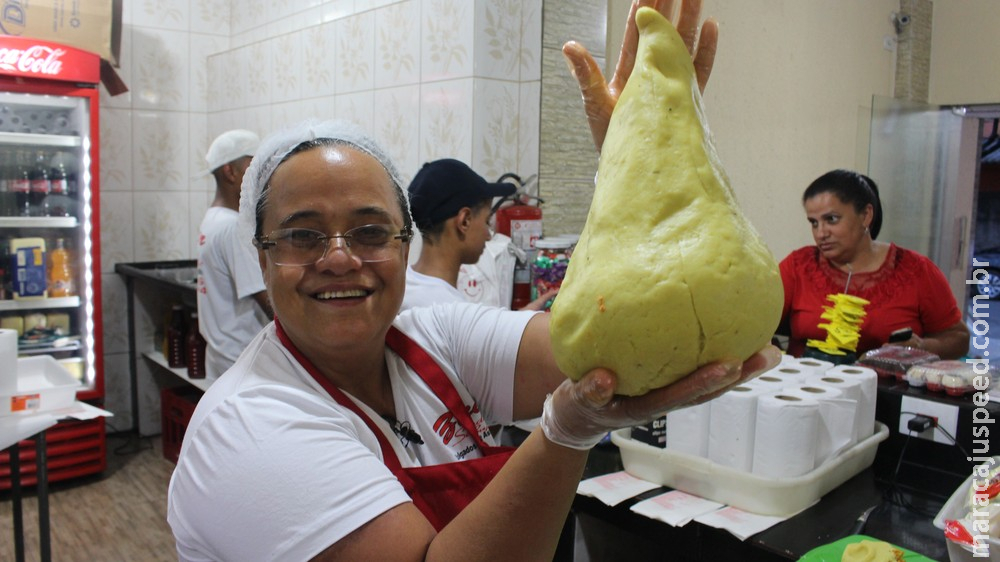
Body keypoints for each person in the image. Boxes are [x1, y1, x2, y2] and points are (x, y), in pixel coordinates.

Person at [168, 1, 775, 560]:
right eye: (303, 235)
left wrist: (641, 155)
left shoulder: (431, 339)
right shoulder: (252, 429)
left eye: (372, 232)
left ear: (405, 245)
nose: (339, 258)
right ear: (262, 256)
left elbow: (617, 347)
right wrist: (565, 432)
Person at [778, 169, 970, 359]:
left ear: (866, 215)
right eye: (814, 223)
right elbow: (760, 320)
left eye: (831, 219)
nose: (821, 233)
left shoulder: (915, 271)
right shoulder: (798, 266)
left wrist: (921, 346)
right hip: (804, 387)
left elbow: (959, 338)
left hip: (884, 388)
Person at [401, 158, 557, 311]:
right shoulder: (451, 312)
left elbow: (488, 332)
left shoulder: (403, 288)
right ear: (464, 221)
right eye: (487, 221)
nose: (489, 236)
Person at [196, 129, 273, 380]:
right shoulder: (233, 228)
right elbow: (268, 301)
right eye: (253, 167)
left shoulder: (213, 219)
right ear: (230, 172)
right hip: (242, 361)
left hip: (222, 357)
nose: (261, 177)